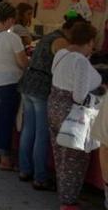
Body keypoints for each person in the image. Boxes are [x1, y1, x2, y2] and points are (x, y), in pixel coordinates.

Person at [17, 11, 84, 191]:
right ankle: (40, 177)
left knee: (28, 129)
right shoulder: (62, 42)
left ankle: (24, 169)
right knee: (41, 133)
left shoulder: (50, 36)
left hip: (29, 83)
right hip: (41, 87)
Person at [48, 22, 103, 209]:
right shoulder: (80, 61)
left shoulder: (61, 54)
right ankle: (68, 202)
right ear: (88, 42)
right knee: (73, 159)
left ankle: (63, 196)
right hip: (70, 113)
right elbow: (79, 96)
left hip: (54, 106)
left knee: (60, 155)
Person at [0, 2, 29, 170]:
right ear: (9, 19)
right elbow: (22, 62)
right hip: (7, 82)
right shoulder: (13, 37)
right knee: (6, 120)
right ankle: (5, 158)